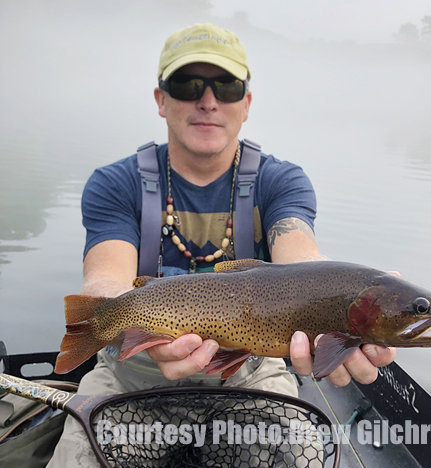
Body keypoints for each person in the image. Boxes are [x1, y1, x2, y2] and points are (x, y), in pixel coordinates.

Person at [48, 23, 395, 467]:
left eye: (227, 86)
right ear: (161, 99)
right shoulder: (116, 183)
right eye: (188, 83)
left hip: (250, 374)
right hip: (131, 373)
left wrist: (356, 295)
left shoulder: (280, 181)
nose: (208, 101)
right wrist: (109, 319)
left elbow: (302, 257)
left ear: (246, 104)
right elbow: (105, 279)